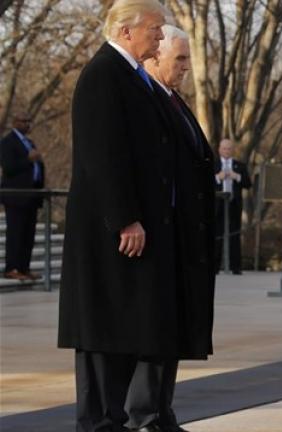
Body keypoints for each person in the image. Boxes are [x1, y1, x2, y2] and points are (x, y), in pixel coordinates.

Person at [56, 1, 187, 431]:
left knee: (121, 333)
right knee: (101, 337)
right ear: (128, 31)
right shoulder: (103, 75)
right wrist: (125, 217)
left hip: (127, 235)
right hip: (107, 235)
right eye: (154, 28)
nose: (160, 36)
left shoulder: (132, 77)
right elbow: (102, 154)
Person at [131, 24, 216, 432]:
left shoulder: (174, 101)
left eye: (186, 59)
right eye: (178, 59)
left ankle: (161, 412)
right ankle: (144, 414)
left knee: (174, 330)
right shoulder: (148, 102)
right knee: (155, 330)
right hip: (160, 235)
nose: (185, 67)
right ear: (153, 58)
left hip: (184, 236)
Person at [1, 112, 45, 281]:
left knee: (28, 234)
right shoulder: (8, 142)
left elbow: (37, 164)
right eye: (24, 121)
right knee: (16, 233)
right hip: (15, 197)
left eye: (29, 121)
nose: (28, 124)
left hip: (31, 196)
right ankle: (12, 267)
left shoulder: (29, 143)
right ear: (15, 122)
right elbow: (8, 166)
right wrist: (28, 159)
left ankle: (24, 267)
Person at [214, 139, 251, 274]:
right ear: (219, 149)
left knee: (234, 236)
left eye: (229, 148)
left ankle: (236, 267)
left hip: (233, 204)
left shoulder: (239, 166)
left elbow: (248, 183)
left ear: (233, 150)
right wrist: (218, 177)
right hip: (218, 205)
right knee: (217, 236)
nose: (227, 151)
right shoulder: (214, 164)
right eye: (224, 148)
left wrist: (237, 177)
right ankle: (215, 267)